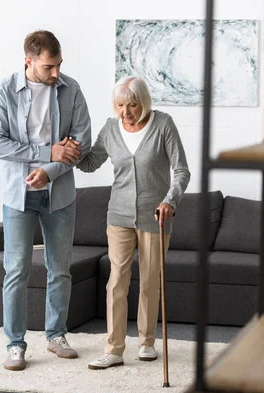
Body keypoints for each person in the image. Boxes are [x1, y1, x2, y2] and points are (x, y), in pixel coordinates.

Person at [0, 30, 91, 371]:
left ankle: (56, 335)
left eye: (59, 64)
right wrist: (48, 150)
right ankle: (15, 344)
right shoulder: (4, 91)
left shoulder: (70, 89)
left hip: (58, 194)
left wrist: (49, 170)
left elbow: (81, 144)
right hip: (18, 196)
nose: (56, 73)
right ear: (28, 61)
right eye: (49, 67)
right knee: (15, 270)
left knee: (59, 270)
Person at [74, 76, 190, 370]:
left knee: (150, 282)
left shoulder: (163, 125)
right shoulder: (111, 129)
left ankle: (147, 342)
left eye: (133, 105)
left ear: (144, 102)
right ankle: (113, 348)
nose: (126, 112)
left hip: (155, 217)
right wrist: (70, 151)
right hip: (119, 216)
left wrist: (169, 201)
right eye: (121, 105)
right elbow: (90, 163)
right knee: (117, 282)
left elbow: (181, 170)